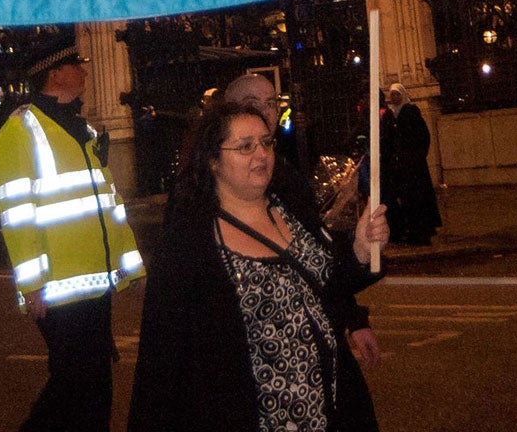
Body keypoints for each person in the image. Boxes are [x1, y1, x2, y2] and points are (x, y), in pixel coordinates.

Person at [130, 99, 389, 432]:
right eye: (245, 146)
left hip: (328, 410)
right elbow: (161, 360)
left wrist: (360, 250)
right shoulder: (190, 243)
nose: (262, 154)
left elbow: (329, 288)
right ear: (213, 161)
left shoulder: (288, 212)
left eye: (266, 143)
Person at [0, 36, 143, 432]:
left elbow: (106, 205)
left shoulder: (81, 128)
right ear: (55, 72)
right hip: (57, 287)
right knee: (74, 385)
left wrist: (127, 266)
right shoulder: (20, 130)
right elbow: (17, 213)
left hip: (94, 280)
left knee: (94, 384)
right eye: (78, 65)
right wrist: (32, 284)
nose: (86, 71)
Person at [222, 74, 378, 369]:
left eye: (271, 103)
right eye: (252, 103)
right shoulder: (202, 194)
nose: (264, 111)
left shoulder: (285, 175)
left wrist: (353, 318)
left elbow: (316, 260)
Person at [379, 86, 440, 246]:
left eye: (397, 94)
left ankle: (420, 232)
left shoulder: (411, 111)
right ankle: (409, 231)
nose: (394, 97)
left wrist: (417, 155)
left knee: (417, 198)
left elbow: (423, 135)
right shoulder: (390, 115)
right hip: (400, 165)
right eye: (392, 95)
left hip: (414, 165)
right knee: (405, 199)